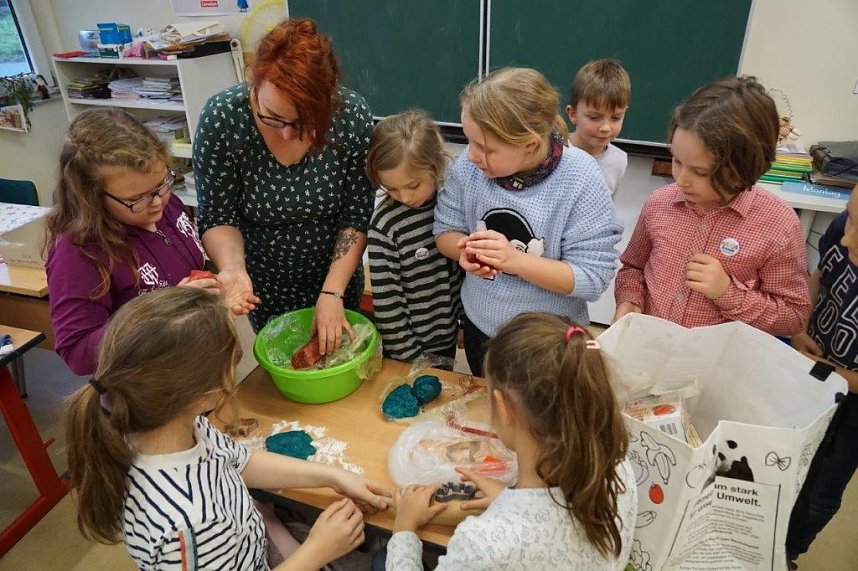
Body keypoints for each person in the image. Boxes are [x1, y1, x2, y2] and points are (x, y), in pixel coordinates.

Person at [65, 287, 391, 570]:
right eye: (233, 362)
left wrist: (333, 476)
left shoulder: (173, 425)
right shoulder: (191, 523)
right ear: (206, 396)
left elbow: (240, 461)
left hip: (250, 545)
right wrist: (318, 551)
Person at [385, 312, 637, 569]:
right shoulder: (618, 467)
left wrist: (405, 528)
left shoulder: (481, 545)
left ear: (503, 407)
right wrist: (510, 501)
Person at [194, 18, 375, 356]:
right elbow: (218, 215)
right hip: (263, 286)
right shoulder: (223, 118)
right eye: (273, 117)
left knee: (334, 359)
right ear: (253, 79)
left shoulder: (351, 115)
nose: (288, 134)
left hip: (335, 281)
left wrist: (332, 292)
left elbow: (356, 215)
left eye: (305, 122)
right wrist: (233, 268)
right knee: (281, 363)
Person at [434, 67, 622, 376]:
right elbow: (445, 230)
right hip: (482, 326)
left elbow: (592, 278)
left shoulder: (581, 177)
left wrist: (514, 260)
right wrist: (466, 249)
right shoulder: (470, 169)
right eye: (470, 141)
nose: (472, 155)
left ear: (531, 145)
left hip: (548, 342)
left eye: (486, 148)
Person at [44, 108, 247, 376]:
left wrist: (213, 296)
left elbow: (181, 274)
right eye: (136, 199)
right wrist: (164, 313)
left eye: (163, 183)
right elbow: (77, 354)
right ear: (91, 196)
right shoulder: (79, 251)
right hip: (150, 388)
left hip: (198, 368)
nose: (157, 202)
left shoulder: (163, 204)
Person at [613, 76, 810, 336]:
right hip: (649, 346)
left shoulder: (778, 224)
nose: (681, 180)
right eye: (677, 161)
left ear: (744, 167)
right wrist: (629, 301)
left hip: (721, 359)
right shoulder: (660, 203)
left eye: (700, 172)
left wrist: (727, 293)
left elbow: (794, 317)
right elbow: (633, 268)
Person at [786, 188, 858, 569]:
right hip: (808, 372)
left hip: (851, 409)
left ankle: (787, 553)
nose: (847, 239)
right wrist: (799, 325)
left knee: (820, 490)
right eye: (850, 217)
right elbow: (820, 277)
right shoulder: (844, 228)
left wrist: (827, 370)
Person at [366, 110, 463, 363]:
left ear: (436, 163)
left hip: (447, 337)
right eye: (391, 189)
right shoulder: (385, 226)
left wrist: (463, 322)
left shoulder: (451, 206)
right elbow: (388, 306)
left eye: (413, 185)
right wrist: (414, 359)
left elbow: (460, 274)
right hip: (405, 351)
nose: (405, 197)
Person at [566, 59, 631, 196]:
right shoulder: (555, 153)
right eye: (595, 118)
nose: (606, 128)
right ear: (573, 114)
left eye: (616, 118)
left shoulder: (619, 161)